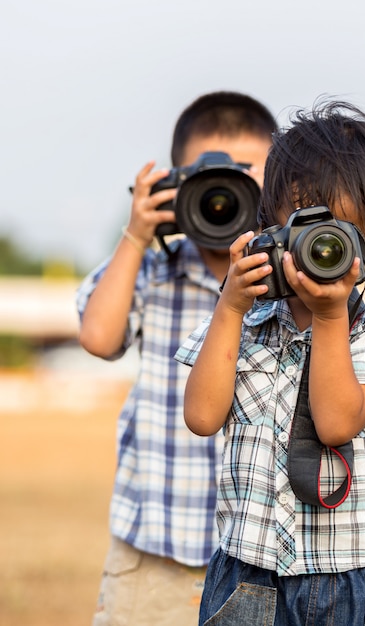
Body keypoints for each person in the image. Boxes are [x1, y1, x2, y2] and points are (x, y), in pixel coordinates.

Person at [176, 99, 365, 626]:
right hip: (247, 576)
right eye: (305, 230)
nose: (321, 251)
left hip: (355, 579)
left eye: (337, 237)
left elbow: (335, 423)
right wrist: (231, 305)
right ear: (272, 228)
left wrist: (332, 315)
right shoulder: (241, 321)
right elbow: (200, 418)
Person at [76, 91, 277, 625]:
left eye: (243, 176)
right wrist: (137, 234)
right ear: (176, 185)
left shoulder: (280, 277)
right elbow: (98, 337)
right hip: (155, 547)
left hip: (258, 559)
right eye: (207, 181)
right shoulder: (151, 267)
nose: (223, 195)